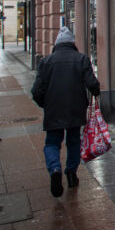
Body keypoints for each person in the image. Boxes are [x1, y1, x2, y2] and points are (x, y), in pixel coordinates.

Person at [31, 26, 100, 197]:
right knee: (74, 141)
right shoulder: (81, 59)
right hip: (75, 108)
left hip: (53, 109)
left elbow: (36, 91)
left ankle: (55, 168)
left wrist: (45, 104)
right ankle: (71, 173)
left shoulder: (46, 62)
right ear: (72, 43)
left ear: (57, 44)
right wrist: (97, 93)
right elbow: (92, 84)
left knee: (52, 142)